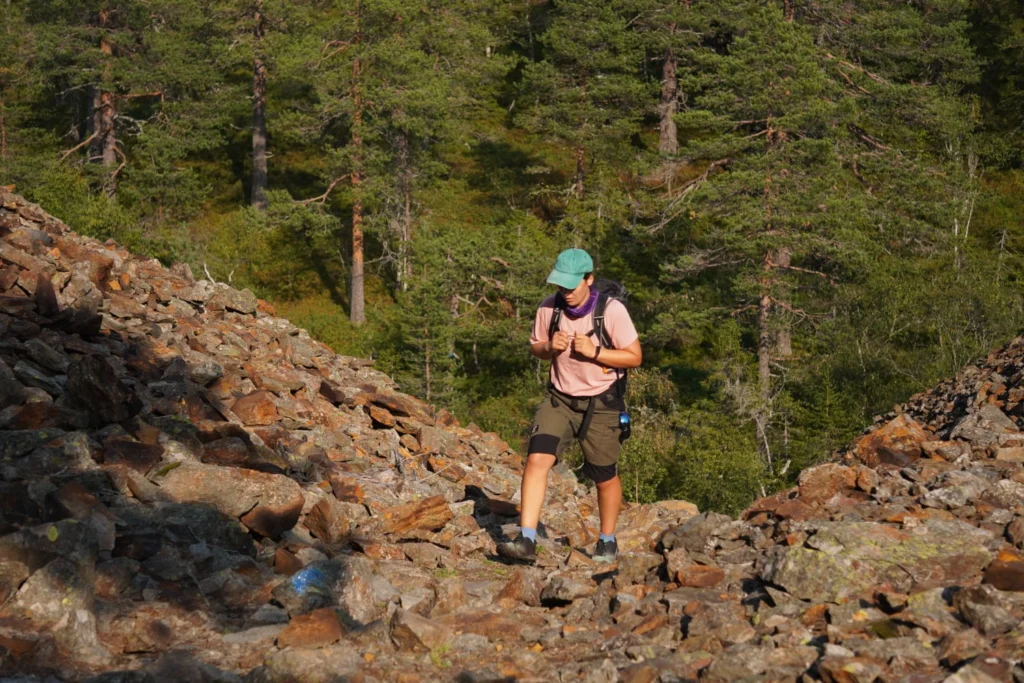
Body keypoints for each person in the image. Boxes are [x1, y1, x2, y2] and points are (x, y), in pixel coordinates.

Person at [497, 248, 642, 563]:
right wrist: (549, 346)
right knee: (537, 459)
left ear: (589, 279)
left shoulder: (612, 311)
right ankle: (526, 539)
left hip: (602, 403)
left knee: (604, 476)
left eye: (571, 286)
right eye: (560, 286)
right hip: (559, 399)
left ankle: (607, 540)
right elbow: (536, 347)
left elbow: (634, 356)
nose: (565, 293)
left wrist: (595, 352)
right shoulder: (548, 309)